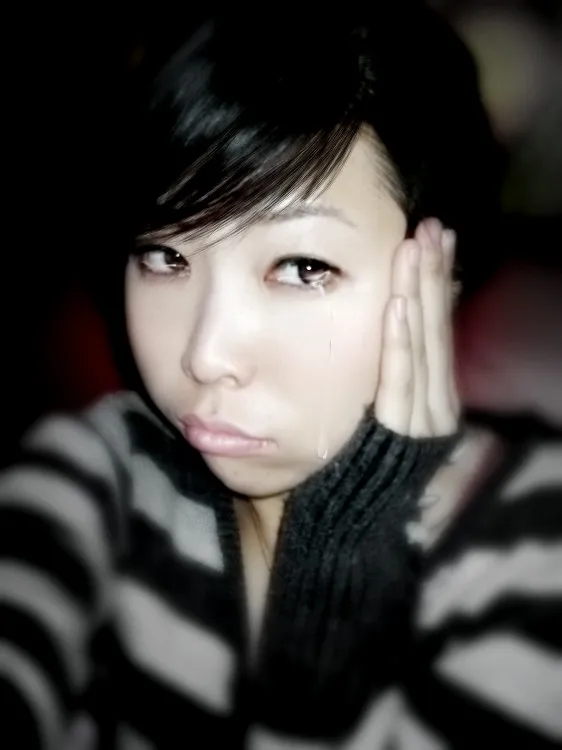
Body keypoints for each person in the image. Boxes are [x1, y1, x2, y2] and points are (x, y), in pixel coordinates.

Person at [1, 5, 560, 749]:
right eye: (165, 257)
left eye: (302, 268)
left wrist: (326, 628)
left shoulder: (534, 546)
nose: (206, 354)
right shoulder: (96, 473)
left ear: (444, 278)